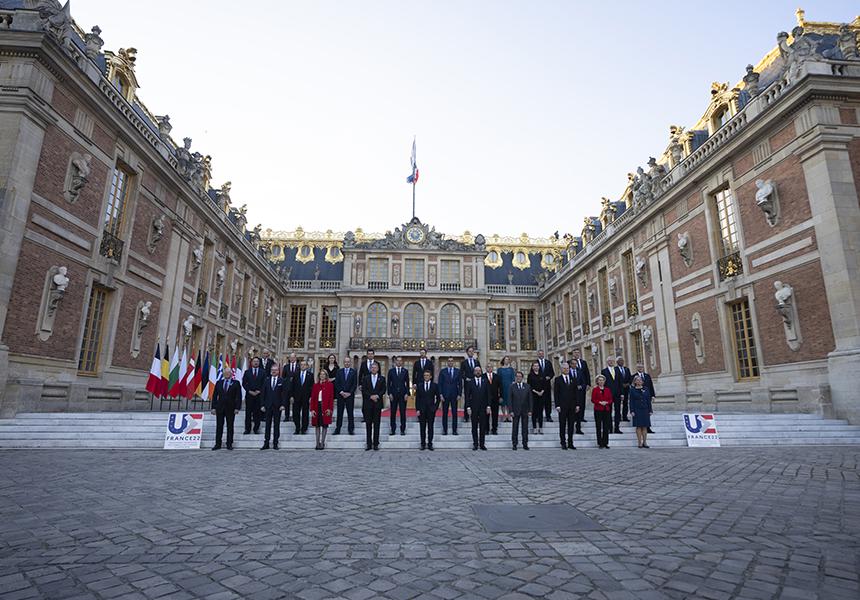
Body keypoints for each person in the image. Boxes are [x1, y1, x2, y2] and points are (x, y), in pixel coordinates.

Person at [211, 367, 241, 450]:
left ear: (231, 374)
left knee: (230, 426)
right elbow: (214, 396)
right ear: (223, 374)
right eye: (225, 373)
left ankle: (229, 444)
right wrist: (213, 407)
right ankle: (218, 444)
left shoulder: (236, 383)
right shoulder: (219, 383)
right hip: (220, 408)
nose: (227, 374)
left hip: (231, 408)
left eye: (229, 373)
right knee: (219, 426)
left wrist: (237, 408)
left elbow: (238, 396)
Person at [553, 363, 579, 450]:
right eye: (564, 368)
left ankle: (570, 442)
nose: (566, 370)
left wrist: (577, 405)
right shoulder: (558, 379)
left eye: (567, 368)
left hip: (572, 406)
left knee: (571, 425)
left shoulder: (573, 379)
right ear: (561, 369)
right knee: (562, 425)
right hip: (562, 406)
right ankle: (563, 442)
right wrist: (557, 405)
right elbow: (556, 393)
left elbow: (576, 393)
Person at [260, 364, 285, 450]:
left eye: (275, 370)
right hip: (268, 406)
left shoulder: (282, 380)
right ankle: (266, 443)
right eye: (272, 370)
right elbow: (263, 393)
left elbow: (284, 394)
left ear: (278, 371)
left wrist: (283, 405)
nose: (274, 371)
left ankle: (275, 443)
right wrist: (262, 405)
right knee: (267, 425)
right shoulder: (266, 380)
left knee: (276, 425)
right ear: (271, 371)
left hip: (278, 406)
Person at [361, 362, 385, 450]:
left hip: (377, 404)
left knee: (377, 424)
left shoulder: (382, 378)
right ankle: (368, 443)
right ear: (370, 369)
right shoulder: (366, 378)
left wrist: (377, 396)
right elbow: (364, 389)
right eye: (372, 367)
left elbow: (383, 389)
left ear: (378, 369)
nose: (374, 369)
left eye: (375, 367)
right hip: (368, 404)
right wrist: (371, 396)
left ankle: (376, 443)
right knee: (368, 424)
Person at [466, 366, 490, 450]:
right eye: (476, 371)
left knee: (483, 426)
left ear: (481, 372)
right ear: (474, 372)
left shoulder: (485, 381)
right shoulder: (470, 382)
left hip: (483, 408)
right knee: (474, 427)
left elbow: (488, 395)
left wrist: (488, 406)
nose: (478, 372)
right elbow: (467, 396)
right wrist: (468, 407)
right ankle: (475, 444)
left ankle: (482, 444)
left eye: (479, 370)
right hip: (474, 408)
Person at [415, 370, 441, 450]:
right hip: (422, 410)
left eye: (427, 375)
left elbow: (438, 398)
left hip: (431, 410)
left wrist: (435, 407)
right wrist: (418, 409)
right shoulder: (420, 385)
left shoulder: (435, 386)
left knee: (430, 427)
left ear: (430, 376)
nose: (426, 377)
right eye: (425, 375)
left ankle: (430, 443)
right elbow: (417, 399)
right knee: (422, 428)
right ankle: (423, 444)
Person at [311, 369, 335, 450]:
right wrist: (312, 410)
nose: (322, 376)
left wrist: (330, 409)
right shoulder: (315, 385)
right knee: (317, 425)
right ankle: (317, 443)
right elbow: (313, 398)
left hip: (325, 407)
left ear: (326, 376)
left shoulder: (330, 385)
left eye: (324, 374)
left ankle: (322, 443)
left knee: (324, 425)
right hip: (317, 406)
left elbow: (331, 398)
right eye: (321, 374)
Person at [333, 356, 357, 435]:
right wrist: (341, 392)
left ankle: (351, 429)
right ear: (344, 363)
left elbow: (354, 384)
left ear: (350, 363)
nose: (347, 363)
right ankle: (338, 428)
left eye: (348, 362)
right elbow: (337, 383)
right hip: (341, 395)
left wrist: (349, 393)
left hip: (350, 396)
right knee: (340, 413)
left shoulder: (353, 372)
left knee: (350, 413)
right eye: (345, 362)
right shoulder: (339, 371)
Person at [438, 357, 462, 435]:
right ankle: (445, 430)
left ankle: (454, 430)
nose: (450, 362)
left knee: (454, 413)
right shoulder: (443, 371)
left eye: (452, 361)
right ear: (447, 362)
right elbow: (440, 384)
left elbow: (460, 384)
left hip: (454, 395)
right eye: (449, 361)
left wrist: (459, 394)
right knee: (445, 413)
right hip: (445, 395)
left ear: (453, 362)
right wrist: (440, 394)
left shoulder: (458, 371)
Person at [387, 356, 410, 436]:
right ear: (395, 362)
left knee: (402, 412)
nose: (399, 362)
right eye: (398, 360)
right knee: (393, 412)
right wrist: (389, 393)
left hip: (403, 395)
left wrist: (407, 393)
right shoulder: (391, 371)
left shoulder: (405, 371)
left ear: (402, 362)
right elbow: (388, 383)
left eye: (401, 361)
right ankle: (393, 429)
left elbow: (407, 383)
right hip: (393, 394)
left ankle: (402, 429)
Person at [241, 357, 264, 434]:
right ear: (251, 363)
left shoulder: (262, 372)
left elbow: (264, 383)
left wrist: (259, 391)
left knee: (257, 413)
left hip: (259, 396)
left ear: (259, 363)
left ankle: (256, 429)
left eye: (257, 361)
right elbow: (244, 383)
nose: (256, 363)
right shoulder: (247, 372)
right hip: (249, 395)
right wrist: (249, 391)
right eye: (254, 361)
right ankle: (247, 429)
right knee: (248, 413)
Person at [629, 374, 653, 448]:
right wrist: (632, 411)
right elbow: (631, 401)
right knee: (638, 427)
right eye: (637, 380)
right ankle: (639, 442)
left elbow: (648, 400)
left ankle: (645, 442)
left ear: (642, 382)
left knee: (645, 427)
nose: (639, 381)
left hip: (645, 409)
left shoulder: (646, 389)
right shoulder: (632, 389)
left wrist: (650, 410)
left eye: (640, 380)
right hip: (637, 410)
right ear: (635, 382)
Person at [601, 357, 624, 434]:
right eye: (610, 361)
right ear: (607, 362)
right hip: (608, 395)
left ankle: (617, 428)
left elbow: (621, 382)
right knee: (608, 411)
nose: (611, 362)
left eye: (612, 361)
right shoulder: (604, 371)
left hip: (617, 394)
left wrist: (622, 393)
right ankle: (609, 428)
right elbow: (602, 384)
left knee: (617, 411)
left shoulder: (617, 370)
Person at [509, 371, 531, 450]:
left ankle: (525, 443)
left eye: (520, 376)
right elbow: (510, 400)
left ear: (522, 377)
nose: (518, 378)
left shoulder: (527, 386)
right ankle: (514, 444)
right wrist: (511, 411)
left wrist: (530, 410)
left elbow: (530, 399)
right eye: (517, 376)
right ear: (515, 378)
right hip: (515, 410)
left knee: (525, 428)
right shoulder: (512, 386)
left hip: (525, 410)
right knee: (515, 428)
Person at [591, 374, 613, 449]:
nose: (601, 381)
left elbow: (610, 399)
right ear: (597, 381)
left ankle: (605, 442)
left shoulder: (607, 389)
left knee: (606, 426)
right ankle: (600, 443)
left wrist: (606, 402)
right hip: (598, 409)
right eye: (599, 380)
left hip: (606, 409)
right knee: (598, 426)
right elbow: (593, 399)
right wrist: (600, 402)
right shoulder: (595, 389)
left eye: (602, 380)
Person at [569, 348, 591, 423]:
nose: (577, 354)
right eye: (575, 353)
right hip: (572, 387)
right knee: (574, 402)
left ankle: (581, 417)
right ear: (573, 354)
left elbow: (587, 373)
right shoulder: (569, 362)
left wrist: (588, 384)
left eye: (578, 352)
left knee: (582, 402)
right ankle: (574, 417)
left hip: (582, 385)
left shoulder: (583, 362)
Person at [460, 347, 481, 424]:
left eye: (472, 351)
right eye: (469, 351)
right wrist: (466, 378)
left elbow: (479, 371)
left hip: (476, 383)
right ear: (467, 352)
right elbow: (461, 373)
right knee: (467, 399)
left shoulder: (477, 362)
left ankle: (477, 416)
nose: (471, 353)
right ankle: (466, 417)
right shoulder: (463, 362)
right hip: (468, 384)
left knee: (477, 399)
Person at [292, 360, 313, 434]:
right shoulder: (295, 374)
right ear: (300, 366)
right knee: (295, 413)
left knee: (305, 413)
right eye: (302, 365)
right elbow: (292, 386)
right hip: (296, 397)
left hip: (306, 397)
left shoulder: (310, 375)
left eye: (304, 365)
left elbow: (311, 387)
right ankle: (297, 428)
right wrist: (292, 396)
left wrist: (311, 397)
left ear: (307, 366)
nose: (303, 366)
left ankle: (304, 428)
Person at [634, 362, 656, 434]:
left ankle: (648, 427)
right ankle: (641, 427)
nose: (640, 368)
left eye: (641, 367)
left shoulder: (647, 376)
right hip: (638, 399)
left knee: (647, 413)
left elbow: (651, 386)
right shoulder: (633, 376)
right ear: (636, 368)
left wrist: (653, 395)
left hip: (647, 397)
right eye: (639, 367)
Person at [282, 352, 301, 423]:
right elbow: (283, 377)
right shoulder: (286, 367)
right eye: (291, 357)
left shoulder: (299, 366)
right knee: (286, 402)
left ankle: (294, 416)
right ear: (289, 358)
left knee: (295, 403)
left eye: (293, 357)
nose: (292, 359)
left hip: (296, 388)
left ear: (296, 358)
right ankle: (286, 416)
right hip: (287, 388)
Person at [527, 362, 545, 434]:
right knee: (534, 412)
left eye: (537, 366)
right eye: (535, 366)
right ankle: (534, 428)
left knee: (540, 412)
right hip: (533, 395)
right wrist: (537, 392)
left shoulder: (542, 375)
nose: (536, 367)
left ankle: (540, 428)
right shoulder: (530, 375)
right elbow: (529, 386)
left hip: (541, 395)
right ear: (532, 367)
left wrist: (542, 392)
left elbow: (545, 385)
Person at [537, 350, 555, 422]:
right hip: (538, 385)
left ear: (543, 354)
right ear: (538, 354)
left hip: (547, 385)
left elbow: (552, 373)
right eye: (539, 354)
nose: (541, 355)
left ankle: (548, 416)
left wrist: (549, 377)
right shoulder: (535, 363)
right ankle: (539, 416)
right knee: (539, 402)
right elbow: (532, 373)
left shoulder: (548, 362)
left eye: (542, 353)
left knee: (548, 401)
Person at [497, 356, 515, 423]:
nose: (507, 361)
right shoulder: (500, 370)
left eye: (508, 359)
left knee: (509, 402)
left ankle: (509, 415)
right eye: (505, 359)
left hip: (509, 387)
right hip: (502, 387)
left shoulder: (511, 369)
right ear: (503, 361)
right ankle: (504, 415)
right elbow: (498, 380)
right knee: (503, 402)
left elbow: (513, 379)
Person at [485, 363, 502, 435]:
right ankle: (486, 429)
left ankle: (494, 429)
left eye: (491, 367)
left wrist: (501, 396)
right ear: (486, 368)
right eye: (488, 367)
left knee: (495, 415)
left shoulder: (496, 376)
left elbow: (501, 387)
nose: (489, 368)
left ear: (492, 368)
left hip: (495, 398)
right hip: (485, 399)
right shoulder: (483, 376)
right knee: (486, 415)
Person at [616, 357, 632, 422]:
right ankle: (618, 417)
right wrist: (620, 385)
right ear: (617, 362)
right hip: (618, 389)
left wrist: (627, 384)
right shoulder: (615, 369)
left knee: (625, 403)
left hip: (626, 388)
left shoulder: (627, 369)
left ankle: (625, 416)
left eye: (622, 360)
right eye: (620, 361)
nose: (622, 362)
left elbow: (630, 378)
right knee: (618, 403)